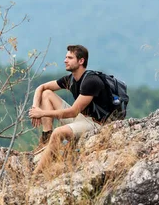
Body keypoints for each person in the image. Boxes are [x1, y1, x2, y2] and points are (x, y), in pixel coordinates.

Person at [28, 45, 112, 174]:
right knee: (47, 94)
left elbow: (73, 112)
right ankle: (46, 138)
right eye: (66, 57)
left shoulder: (91, 81)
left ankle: (35, 175)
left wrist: (42, 113)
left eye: (70, 58)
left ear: (81, 61)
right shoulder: (71, 79)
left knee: (58, 132)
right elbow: (41, 87)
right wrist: (35, 108)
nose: (65, 60)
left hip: (96, 124)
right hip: (82, 118)